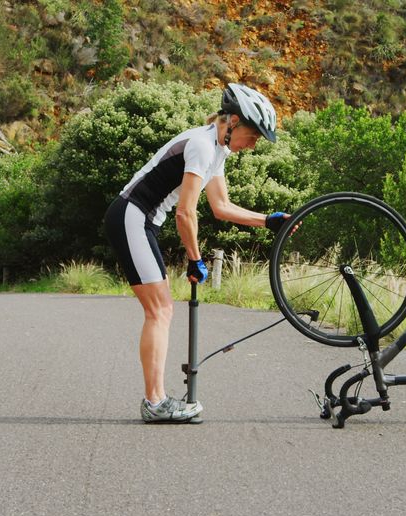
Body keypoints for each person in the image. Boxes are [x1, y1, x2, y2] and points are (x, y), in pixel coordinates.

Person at [104, 83, 290, 423]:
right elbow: (185, 213)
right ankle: (155, 402)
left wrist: (268, 221)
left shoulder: (217, 149)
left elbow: (220, 207)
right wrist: (195, 257)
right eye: (253, 135)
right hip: (132, 215)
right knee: (159, 310)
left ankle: (156, 400)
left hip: (141, 220)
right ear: (233, 121)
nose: (254, 144)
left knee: (161, 310)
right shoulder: (203, 147)